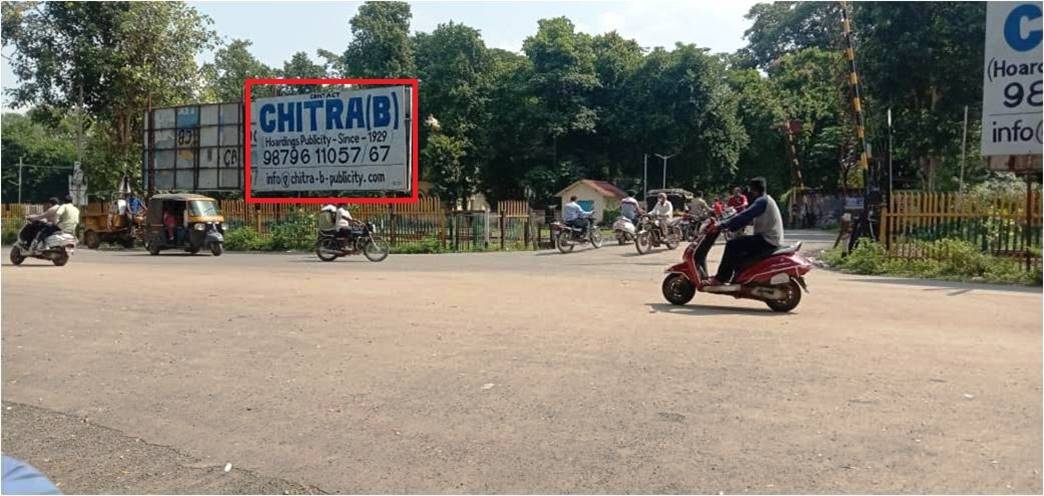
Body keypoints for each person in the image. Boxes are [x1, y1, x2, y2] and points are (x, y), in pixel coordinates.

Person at [708, 177, 784, 285]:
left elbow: (745, 215)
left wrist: (721, 225)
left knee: (732, 244)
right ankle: (739, 276)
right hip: (769, 239)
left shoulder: (761, 201)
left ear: (753, 190)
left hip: (767, 240)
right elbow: (747, 218)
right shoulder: (766, 199)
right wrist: (731, 226)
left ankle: (721, 278)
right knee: (739, 243)